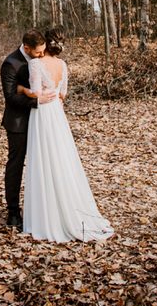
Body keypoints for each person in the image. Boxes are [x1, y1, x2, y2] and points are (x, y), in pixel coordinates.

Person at [16, 28, 114, 242]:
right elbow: (63, 95)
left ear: (46, 45)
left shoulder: (35, 64)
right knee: (61, 160)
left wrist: (22, 89)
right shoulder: (63, 65)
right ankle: (68, 206)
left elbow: (36, 93)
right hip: (58, 116)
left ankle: (46, 216)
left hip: (41, 114)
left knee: (43, 161)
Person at [0, 30, 56, 230]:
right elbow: (9, 97)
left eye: (43, 51)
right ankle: (13, 211)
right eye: (39, 52)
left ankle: (42, 209)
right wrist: (35, 101)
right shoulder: (10, 63)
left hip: (41, 121)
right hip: (19, 122)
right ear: (26, 48)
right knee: (16, 164)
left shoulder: (41, 57)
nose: (42, 55)